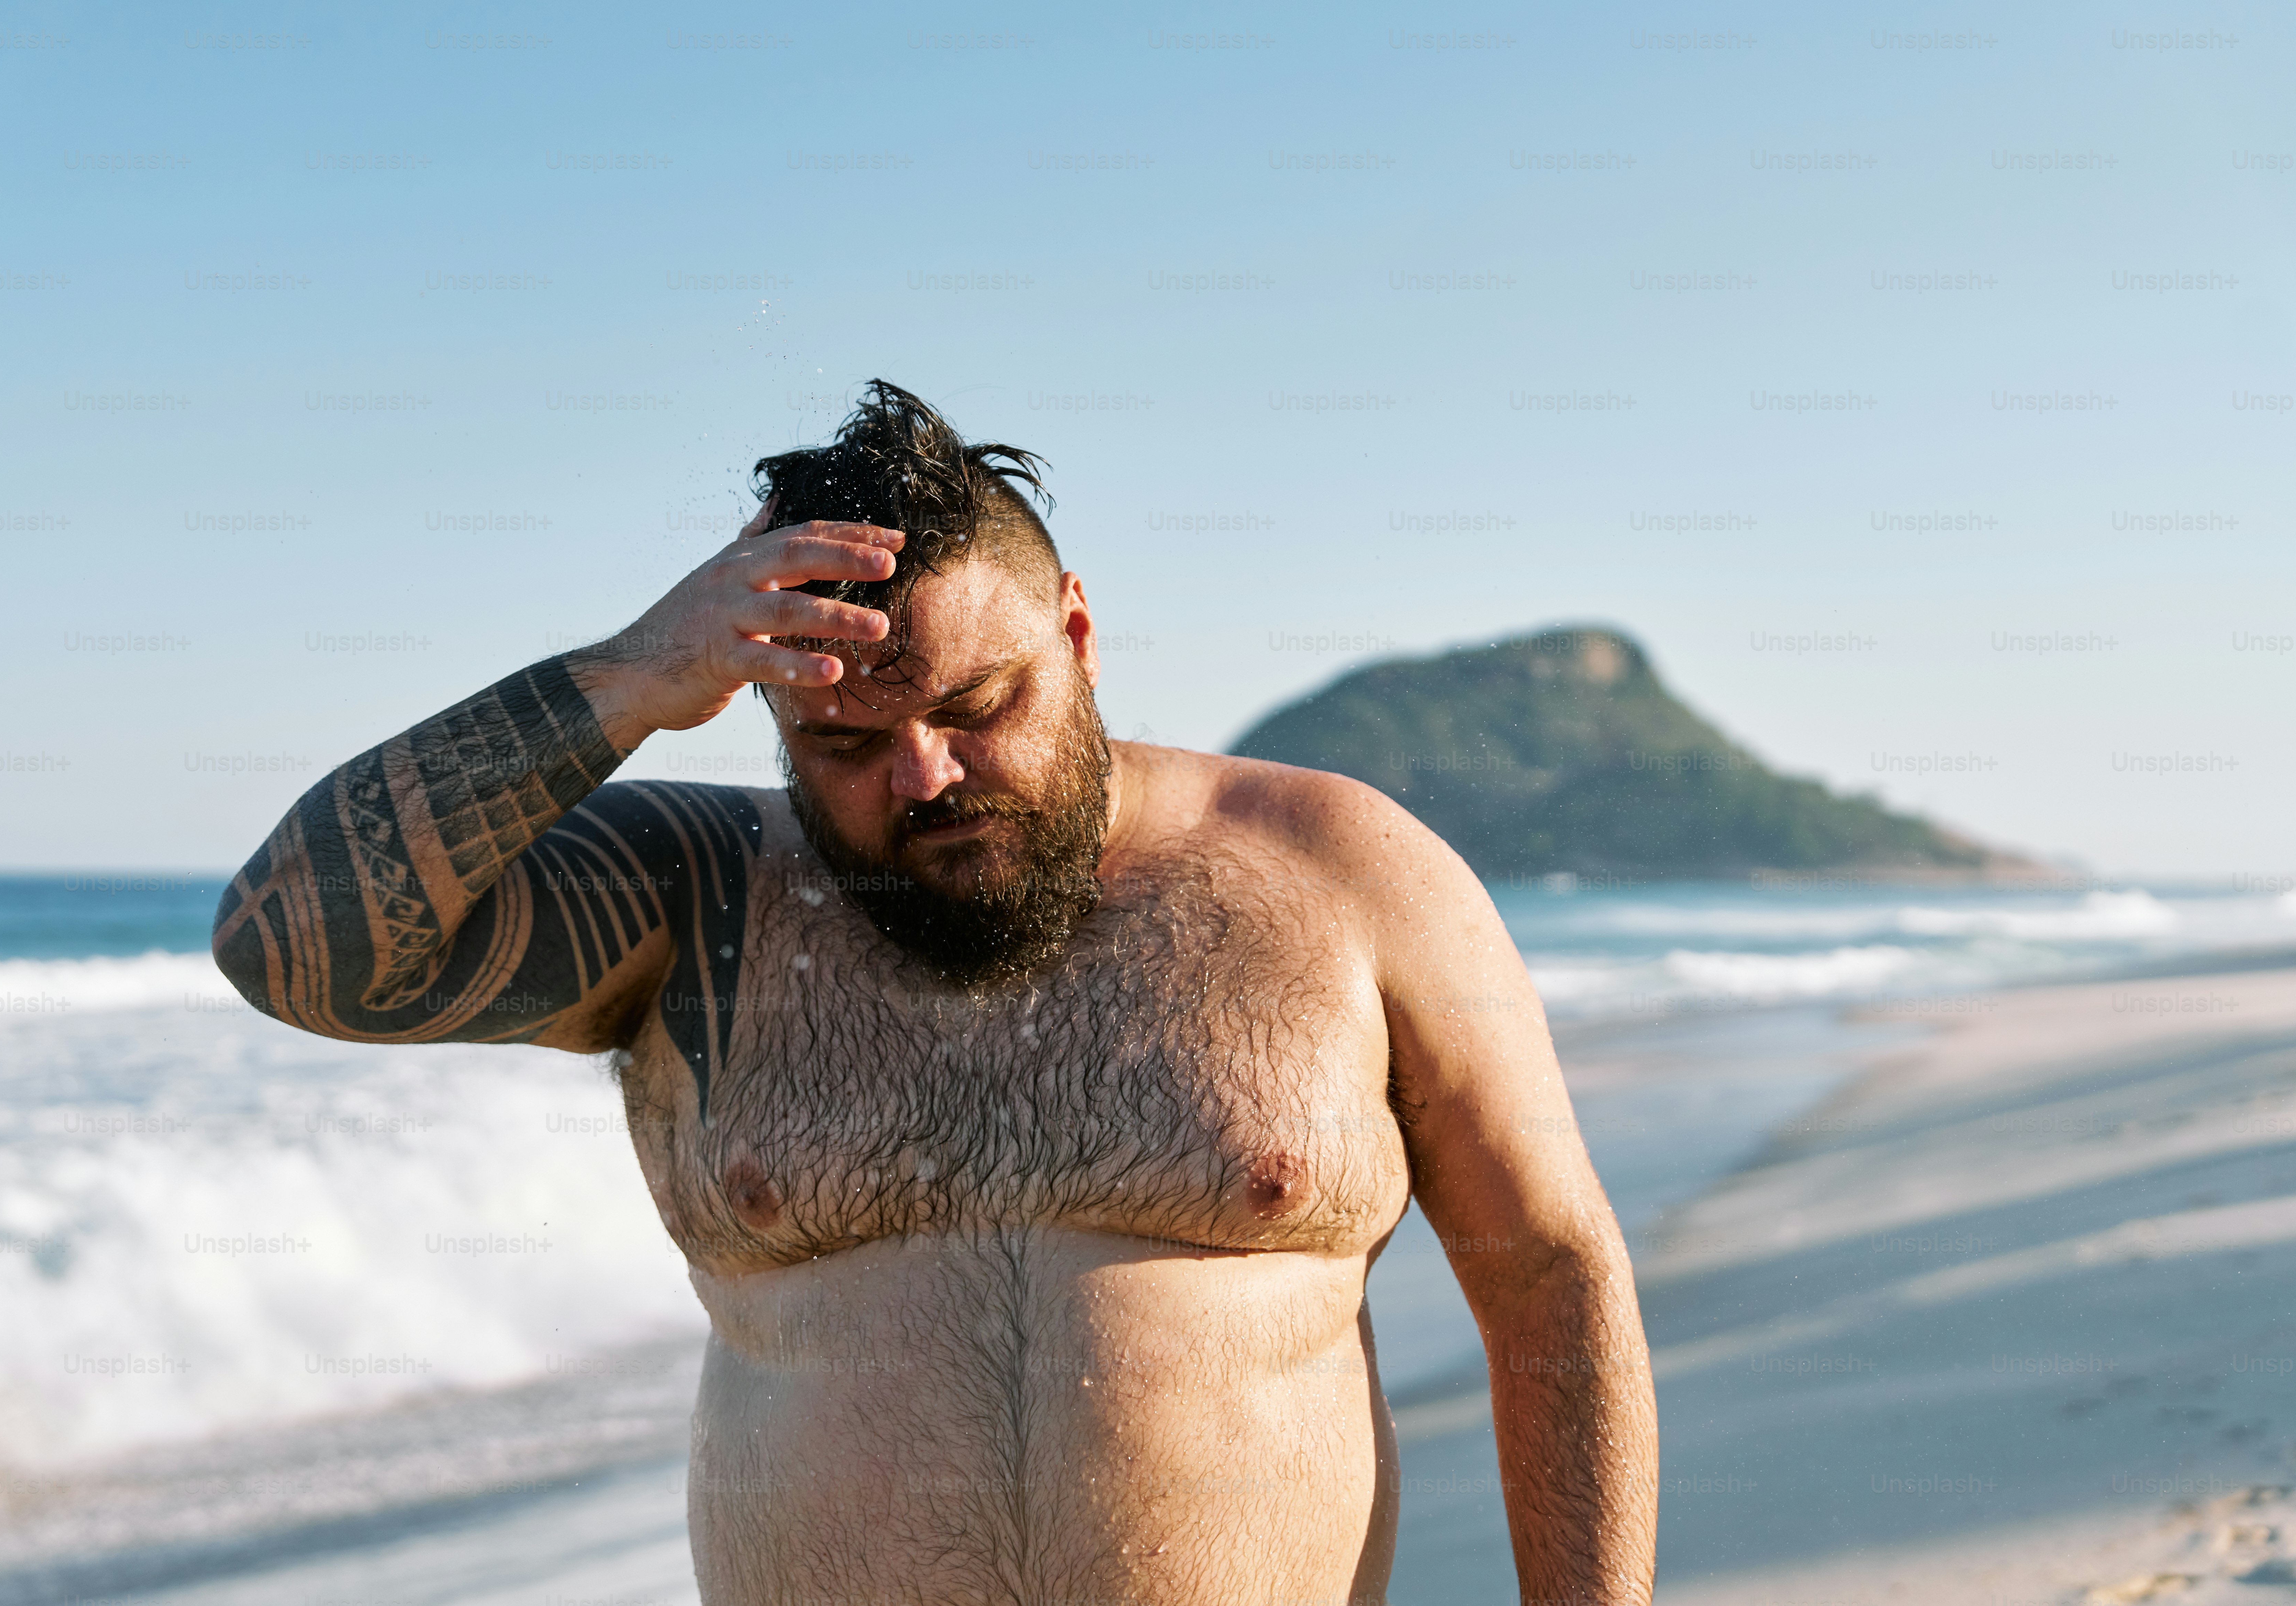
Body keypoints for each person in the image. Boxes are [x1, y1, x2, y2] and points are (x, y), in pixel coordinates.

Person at [212, 381, 1657, 1605]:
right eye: (845, 739)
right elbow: (295, 948)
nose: (923, 778)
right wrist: (632, 675)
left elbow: (1548, 1273)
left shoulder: (1337, 870)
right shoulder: (699, 894)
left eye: (977, 709)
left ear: (1078, 636)